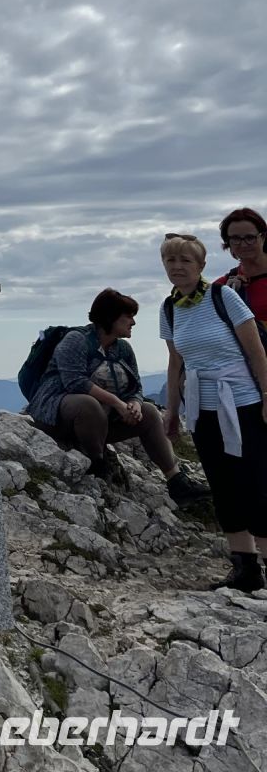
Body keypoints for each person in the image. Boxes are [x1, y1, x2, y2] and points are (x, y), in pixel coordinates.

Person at [26, 287, 208, 501]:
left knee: (149, 412)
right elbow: (75, 382)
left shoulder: (122, 349)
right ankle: (96, 463)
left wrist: (134, 404)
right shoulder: (76, 340)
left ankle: (176, 481)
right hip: (57, 415)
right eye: (128, 317)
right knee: (88, 404)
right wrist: (117, 404)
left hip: (100, 420)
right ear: (110, 318)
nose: (133, 322)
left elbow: (135, 388)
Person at [161, 232, 267, 592]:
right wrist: (172, 411)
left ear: (201, 266)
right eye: (170, 261)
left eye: (185, 261)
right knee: (222, 485)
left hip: (243, 404)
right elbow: (176, 362)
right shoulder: (169, 308)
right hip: (203, 409)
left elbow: (256, 352)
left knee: (255, 485)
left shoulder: (225, 297)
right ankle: (245, 569)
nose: (177, 267)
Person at [214, 207, 267, 326]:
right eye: (235, 239)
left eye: (250, 238)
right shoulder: (221, 287)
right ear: (228, 243)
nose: (243, 244)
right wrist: (227, 297)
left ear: (263, 237)